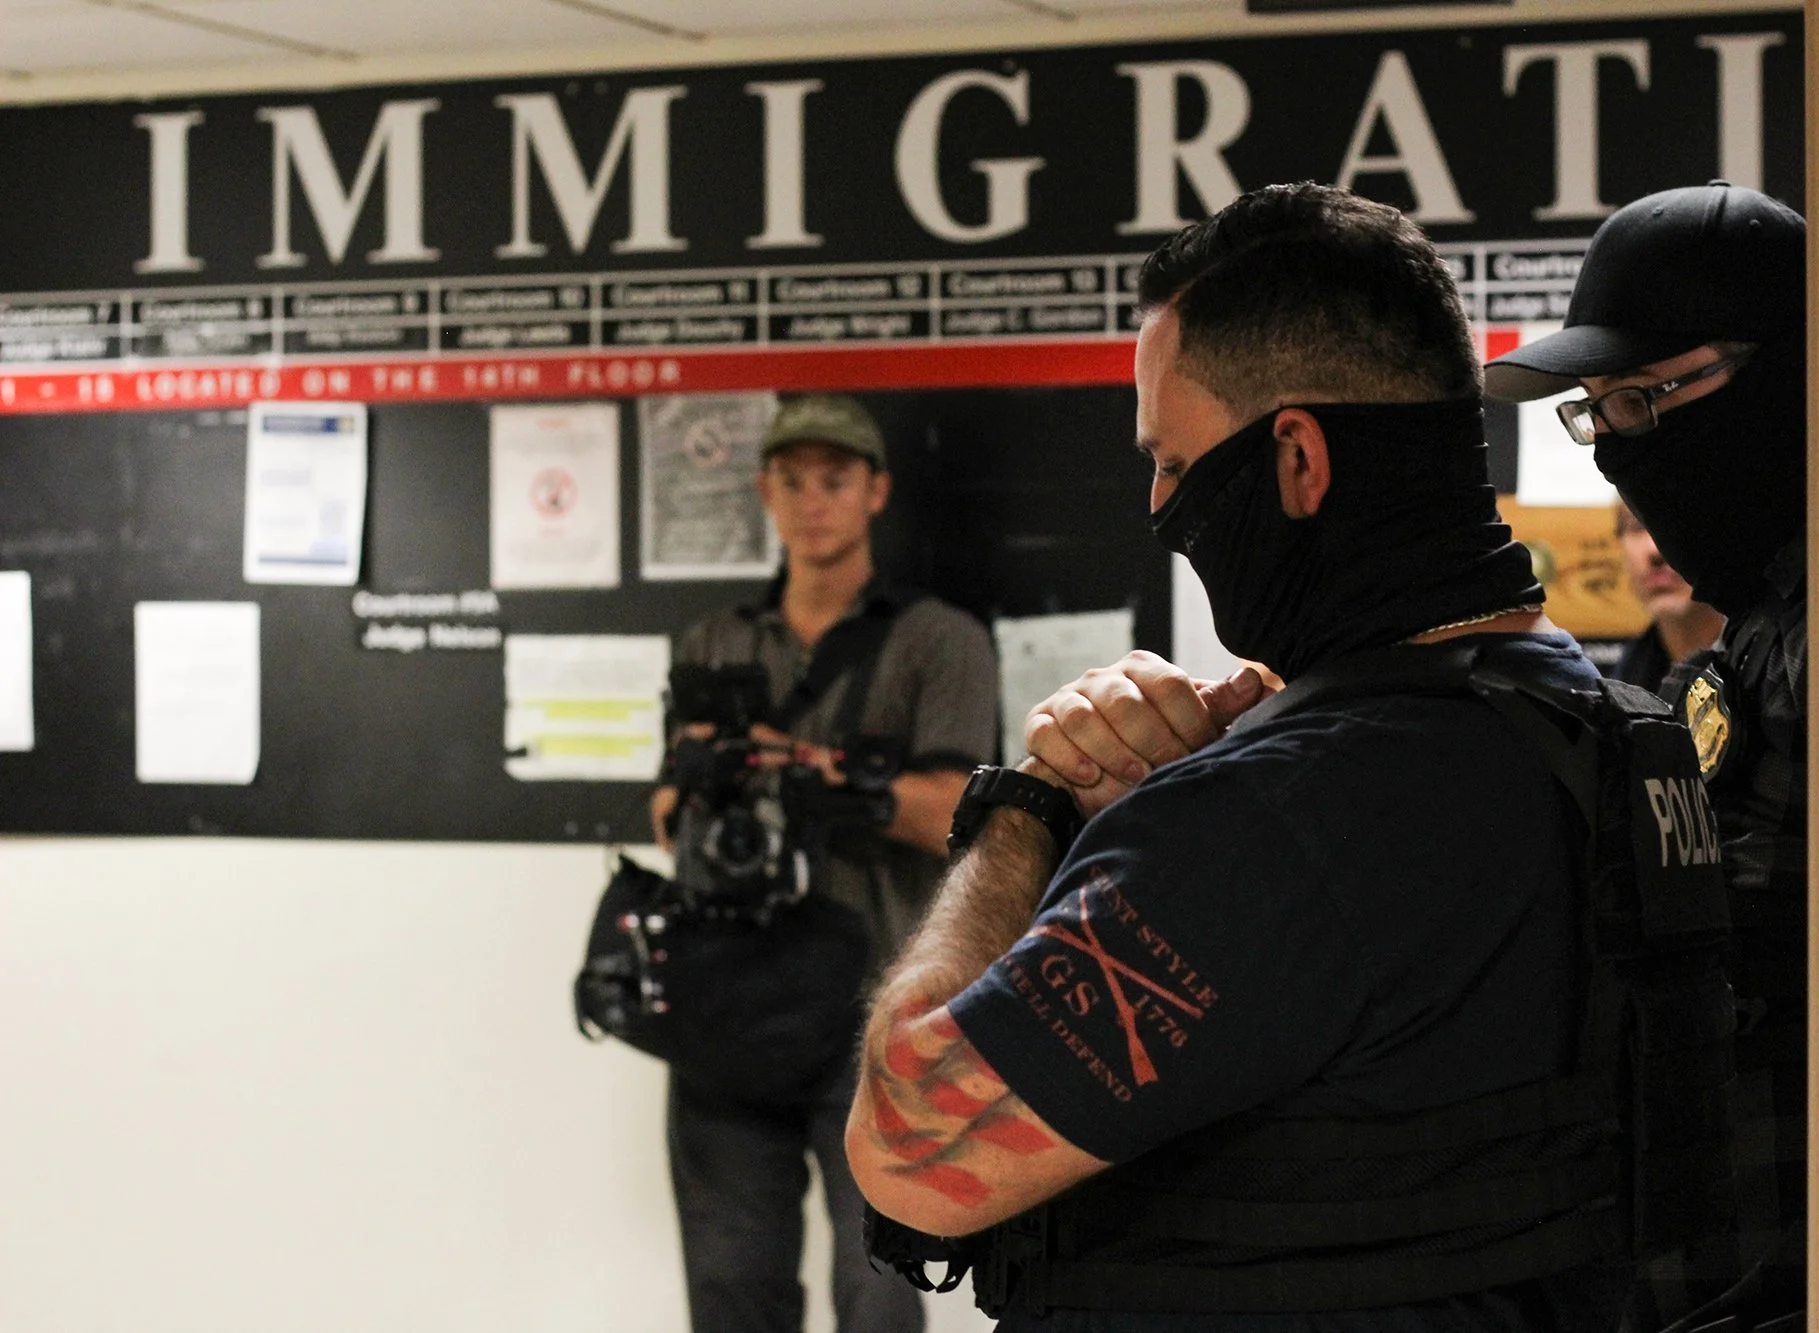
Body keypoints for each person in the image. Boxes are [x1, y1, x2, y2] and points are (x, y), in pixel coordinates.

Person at [843, 184, 1720, 1331]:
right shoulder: (1614, 735)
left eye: (1170, 459)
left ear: (1296, 459)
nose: (1159, 501)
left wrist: (1029, 805)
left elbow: (912, 1143)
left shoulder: (1273, 815)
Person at [1484, 181, 1808, 1332]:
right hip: (1694, 1271)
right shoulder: (1751, 639)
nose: (1621, 452)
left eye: (1643, 402)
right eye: (1598, 413)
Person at [649, 393, 998, 1333]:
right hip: (726, 1012)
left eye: (834, 480)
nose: (812, 502)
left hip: (877, 1022)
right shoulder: (714, 643)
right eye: (792, 481)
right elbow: (666, 817)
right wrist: (709, 785)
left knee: (880, 1302)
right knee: (730, 1296)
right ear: (765, 491)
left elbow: (962, 821)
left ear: (875, 491)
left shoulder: (940, 640)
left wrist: (813, 771)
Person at [1610, 498, 1724, 699]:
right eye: (1636, 527)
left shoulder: (1772, 672)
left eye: (1675, 524)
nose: (1655, 550)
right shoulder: (1626, 682)